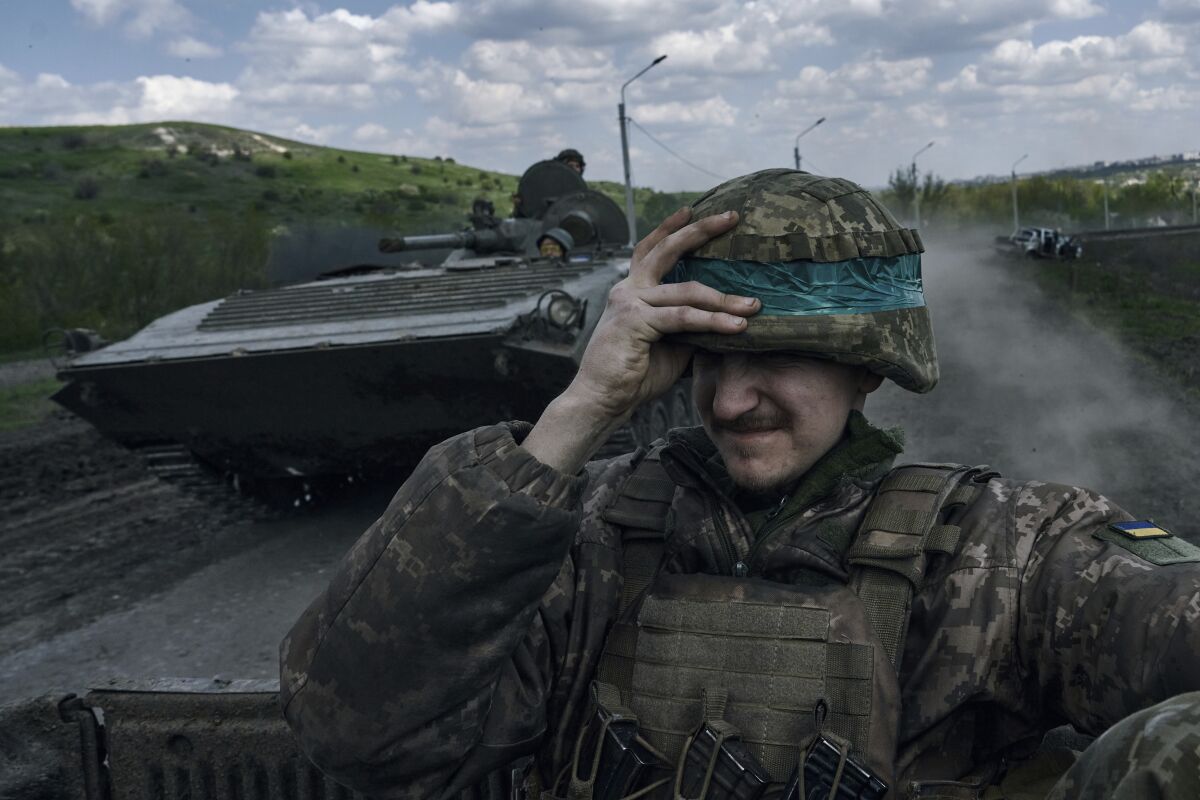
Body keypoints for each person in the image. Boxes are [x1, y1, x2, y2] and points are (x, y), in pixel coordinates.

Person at [279, 169, 1200, 800]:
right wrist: (581, 409)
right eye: (705, 358)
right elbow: (357, 731)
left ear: (869, 369)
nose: (729, 401)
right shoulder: (584, 534)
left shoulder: (1006, 552)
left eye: (781, 360)